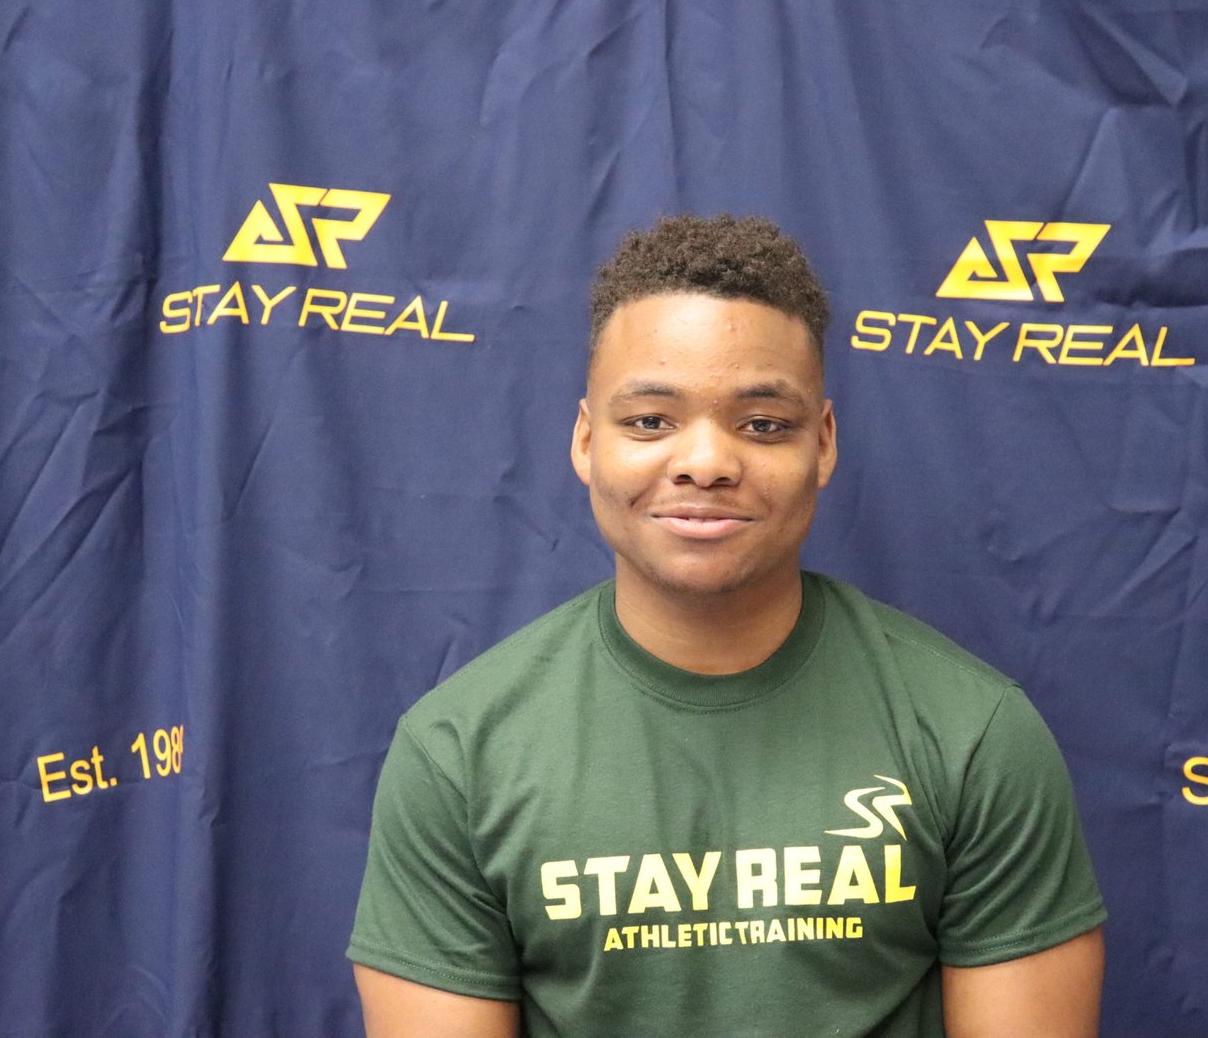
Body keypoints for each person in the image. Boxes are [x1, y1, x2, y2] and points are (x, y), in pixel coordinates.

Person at [348, 214, 1107, 1037]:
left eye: (763, 424)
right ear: (586, 440)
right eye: (650, 421)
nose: (706, 462)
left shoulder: (971, 733)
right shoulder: (459, 754)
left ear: (823, 443)